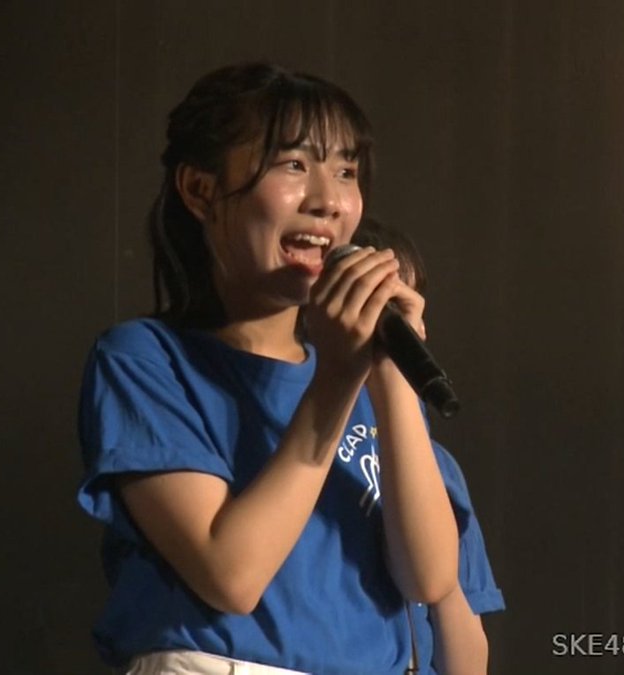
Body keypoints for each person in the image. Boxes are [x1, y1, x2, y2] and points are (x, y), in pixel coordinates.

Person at [76, 62, 502, 674]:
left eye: (346, 171)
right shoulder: (147, 360)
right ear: (200, 190)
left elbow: (430, 579)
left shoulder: (363, 384)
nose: (329, 201)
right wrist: (336, 379)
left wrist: (387, 372)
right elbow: (231, 574)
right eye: (294, 165)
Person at [350, 218, 505, 674]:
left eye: (403, 306)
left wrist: (434, 549)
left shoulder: (439, 466)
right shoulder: (301, 430)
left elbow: (468, 663)